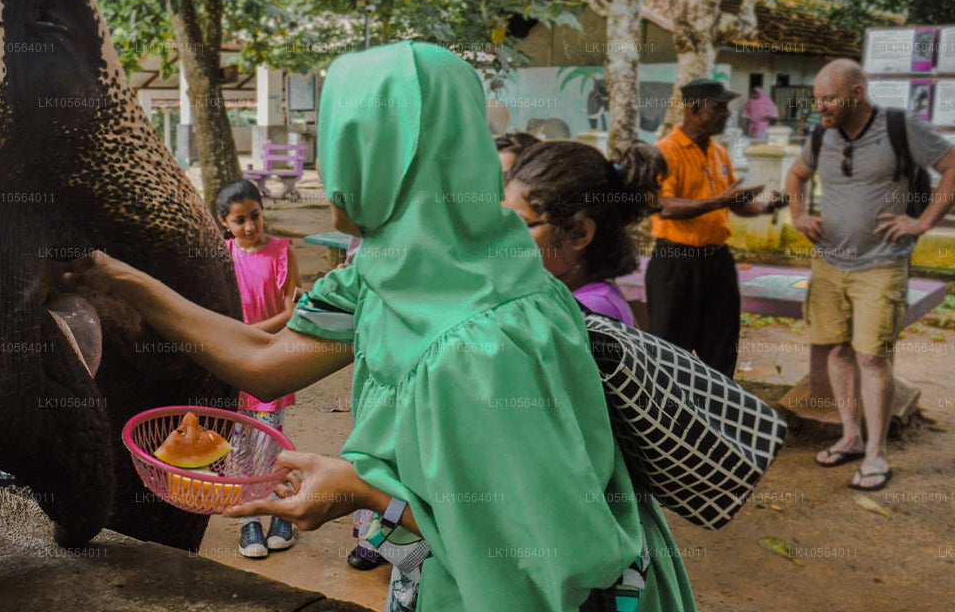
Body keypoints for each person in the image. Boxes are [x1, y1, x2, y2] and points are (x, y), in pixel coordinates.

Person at [63, 41, 689, 611]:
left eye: (335, 139)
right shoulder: (384, 271)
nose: (324, 161)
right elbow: (263, 354)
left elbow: (545, 547)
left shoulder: (486, 343)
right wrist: (118, 278)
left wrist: (363, 492)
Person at [502, 139, 695, 608]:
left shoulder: (588, 320)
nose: (498, 239)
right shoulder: (574, 303)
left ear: (581, 234)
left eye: (518, 226)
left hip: (588, 543)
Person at [785, 59, 955, 491]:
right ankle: (851, 437)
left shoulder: (900, 126)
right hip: (829, 263)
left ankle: (877, 455)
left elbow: (952, 166)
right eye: (817, 98)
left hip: (880, 265)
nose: (820, 106)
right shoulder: (822, 133)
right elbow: (796, 173)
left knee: (872, 357)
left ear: (856, 95)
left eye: (829, 99)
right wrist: (799, 213)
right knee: (838, 352)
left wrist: (922, 223)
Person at [647, 78, 786, 378]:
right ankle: (674, 416)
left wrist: (763, 207)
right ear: (696, 108)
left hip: (717, 263)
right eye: (719, 108)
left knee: (721, 347)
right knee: (671, 351)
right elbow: (663, 206)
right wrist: (719, 200)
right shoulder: (664, 152)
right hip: (675, 265)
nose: (727, 115)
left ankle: (719, 415)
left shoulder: (719, 152)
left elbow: (731, 203)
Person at [215, 179, 301, 556]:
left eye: (255, 216)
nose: (250, 227)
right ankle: (250, 521)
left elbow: (288, 312)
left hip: (272, 362)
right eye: (239, 220)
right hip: (233, 366)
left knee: (271, 443)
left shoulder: (283, 250)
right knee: (238, 448)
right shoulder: (221, 256)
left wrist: (244, 334)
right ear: (224, 222)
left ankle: (282, 511)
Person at [503, 140, 665, 327]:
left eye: (521, 224)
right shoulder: (559, 297)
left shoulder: (593, 312)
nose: (505, 237)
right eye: (503, 222)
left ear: (579, 233)